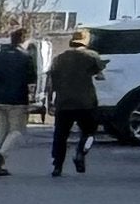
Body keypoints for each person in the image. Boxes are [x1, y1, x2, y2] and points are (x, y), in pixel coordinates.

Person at [46, 27, 108, 174]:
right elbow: (100, 76)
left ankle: (57, 166)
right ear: (86, 41)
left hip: (63, 102)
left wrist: (50, 102)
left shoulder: (58, 59)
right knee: (89, 132)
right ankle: (81, 152)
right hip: (86, 102)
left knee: (60, 135)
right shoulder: (92, 56)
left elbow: (51, 82)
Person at [0, 29, 38, 173]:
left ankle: (0, 162)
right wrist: (32, 100)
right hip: (18, 99)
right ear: (24, 40)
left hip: (0, 98)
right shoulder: (27, 58)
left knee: (2, 128)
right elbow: (31, 82)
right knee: (17, 130)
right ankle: (1, 154)